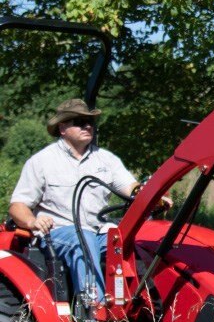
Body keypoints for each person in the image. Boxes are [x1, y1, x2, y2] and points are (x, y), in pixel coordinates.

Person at [9, 98, 139, 302]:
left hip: (99, 233)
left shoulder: (106, 160)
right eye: (79, 122)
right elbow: (18, 206)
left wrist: (152, 195)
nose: (87, 126)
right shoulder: (42, 161)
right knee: (82, 238)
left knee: (140, 242)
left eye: (90, 122)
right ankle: (95, 310)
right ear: (62, 128)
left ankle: (146, 312)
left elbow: (132, 188)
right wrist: (33, 222)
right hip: (59, 233)